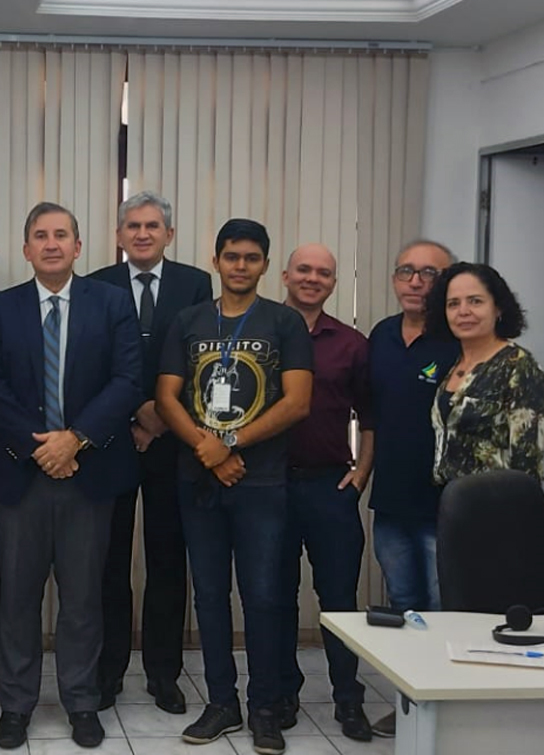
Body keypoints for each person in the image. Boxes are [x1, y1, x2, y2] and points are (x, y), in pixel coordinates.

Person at [0, 201, 143, 750]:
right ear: (25, 250)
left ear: (78, 246)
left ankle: (81, 701)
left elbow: (127, 378)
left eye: (61, 235)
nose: (51, 244)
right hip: (20, 475)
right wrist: (42, 447)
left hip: (89, 475)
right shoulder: (1, 309)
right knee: (17, 597)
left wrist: (76, 439)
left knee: (83, 597)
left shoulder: (112, 304)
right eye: (40, 236)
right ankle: (17, 703)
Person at [156, 218, 313, 755]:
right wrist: (207, 449)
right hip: (197, 480)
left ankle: (265, 706)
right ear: (216, 261)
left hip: (262, 483)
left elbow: (297, 401)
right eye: (231, 256)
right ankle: (221, 702)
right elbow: (167, 397)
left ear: (266, 265)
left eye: (251, 257)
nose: (240, 265)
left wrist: (232, 444)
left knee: (264, 598)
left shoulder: (284, 322)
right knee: (210, 597)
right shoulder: (189, 320)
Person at [89, 190, 212, 714]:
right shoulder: (96, 285)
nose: (142, 233)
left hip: (173, 443)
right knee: (107, 562)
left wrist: (161, 419)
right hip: (114, 442)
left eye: (152, 226)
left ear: (169, 234)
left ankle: (164, 673)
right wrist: (134, 415)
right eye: (133, 226)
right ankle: (107, 671)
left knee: (167, 561)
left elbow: (202, 358)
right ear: (118, 236)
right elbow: (91, 364)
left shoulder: (195, 285)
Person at [277, 244, 374, 741]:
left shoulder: (352, 344)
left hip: (328, 484)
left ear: (334, 283)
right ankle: (284, 694)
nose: (313, 278)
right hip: (268, 488)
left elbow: (370, 416)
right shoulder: (261, 332)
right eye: (305, 270)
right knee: (276, 597)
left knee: (337, 599)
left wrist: (361, 473)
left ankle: (347, 699)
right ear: (285, 275)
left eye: (324, 273)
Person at [366, 240, 459, 738]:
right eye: (407, 271)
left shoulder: (458, 340)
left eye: (429, 273)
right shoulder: (381, 334)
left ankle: (448, 714)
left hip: (445, 505)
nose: (416, 281)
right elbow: (371, 415)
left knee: (446, 611)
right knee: (404, 608)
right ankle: (409, 710)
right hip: (392, 500)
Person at [427, 262, 544, 484]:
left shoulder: (518, 367)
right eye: (453, 304)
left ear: (498, 308)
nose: (463, 311)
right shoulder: (454, 365)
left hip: (499, 507)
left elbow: (529, 460)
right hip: (453, 505)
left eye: (475, 301)